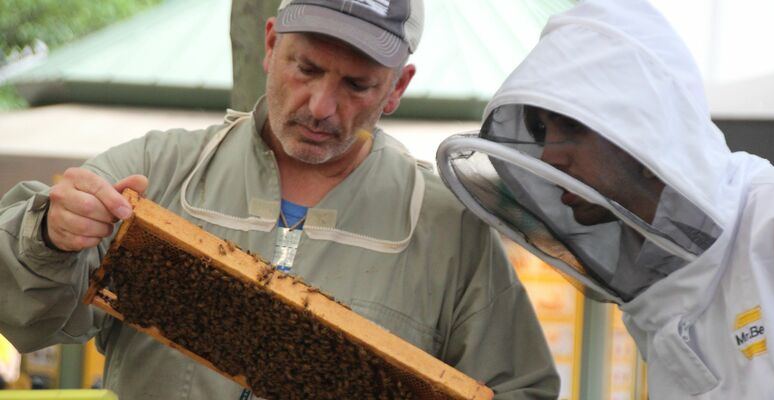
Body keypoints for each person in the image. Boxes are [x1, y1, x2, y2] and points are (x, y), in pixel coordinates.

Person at [0, 0, 560, 399]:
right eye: (306, 68)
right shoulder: (157, 168)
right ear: (270, 45)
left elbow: (519, 387)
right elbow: (28, 317)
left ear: (397, 88)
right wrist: (48, 236)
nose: (320, 105)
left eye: (356, 85)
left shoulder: (449, 227)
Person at [436, 0, 774, 399]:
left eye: (572, 126)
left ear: (645, 128)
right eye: (541, 131)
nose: (548, 156)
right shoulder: (651, 281)